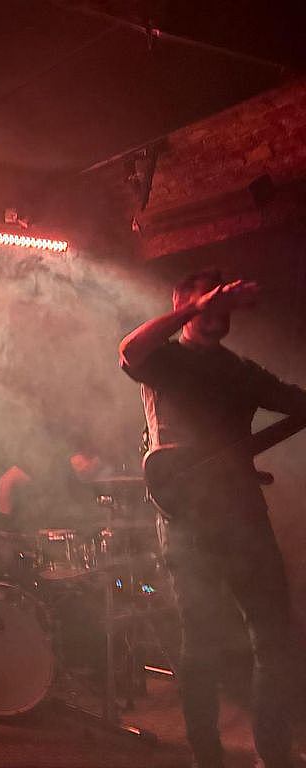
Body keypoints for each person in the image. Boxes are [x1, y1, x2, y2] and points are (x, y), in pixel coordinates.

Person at [119, 269, 306, 768]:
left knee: (273, 635)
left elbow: (297, 402)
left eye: (222, 304)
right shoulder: (166, 360)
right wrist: (195, 306)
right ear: (182, 307)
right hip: (187, 520)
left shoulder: (241, 371)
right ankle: (206, 755)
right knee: (201, 639)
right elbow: (129, 350)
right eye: (207, 303)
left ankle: (274, 753)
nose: (216, 310)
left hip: (243, 513)